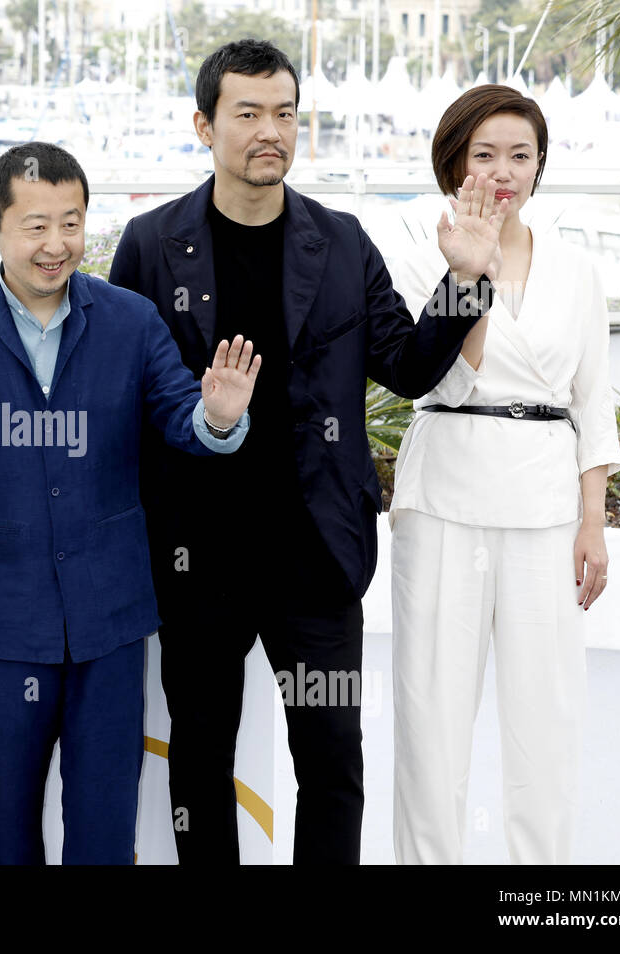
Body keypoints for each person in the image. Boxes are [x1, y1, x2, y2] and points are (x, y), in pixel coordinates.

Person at [109, 38, 505, 864]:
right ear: (203, 124)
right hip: (196, 558)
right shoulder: (150, 245)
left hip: (316, 556)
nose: (269, 132)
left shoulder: (342, 241)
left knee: (331, 765)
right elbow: (121, 403)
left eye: (284, 113)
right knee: (200, 759)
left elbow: (405, 365)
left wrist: (465, 281)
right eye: (246, 113)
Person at [0, 142, 261, 865]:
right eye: (35, 225)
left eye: (70, 224)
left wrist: (221, 416)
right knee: (5, 829)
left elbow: (183, 421)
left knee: (105, 826)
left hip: (109, 613)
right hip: (0, 612)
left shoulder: (130, 321)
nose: (56, 245)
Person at [387, 86, 620, 865]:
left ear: (540, 165)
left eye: (520, 156)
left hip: (547, 504)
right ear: (454, 159)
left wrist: (593, 520)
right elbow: (459, 369)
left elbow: (592, 400)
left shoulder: (578, 269)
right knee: (432, 717)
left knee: (546, 719)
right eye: (484, 155)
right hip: (447, 493)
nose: (502, 172)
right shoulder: (417, 249)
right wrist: (475, 265)